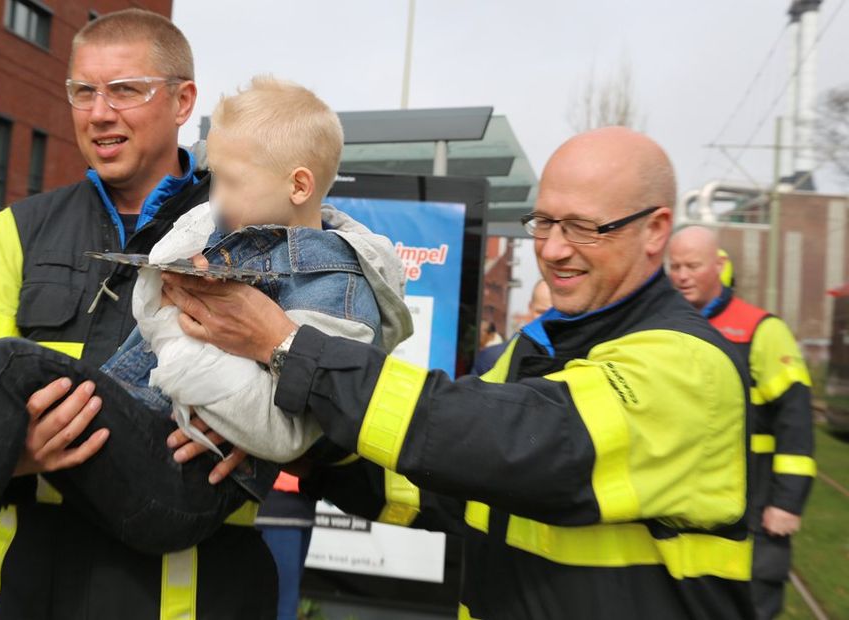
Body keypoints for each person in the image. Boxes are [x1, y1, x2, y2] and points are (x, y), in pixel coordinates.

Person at [0, 76, 411, 619]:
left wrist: (186, 345)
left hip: (185, 495)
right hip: (57, 549)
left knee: (8, 363)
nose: (100, 111)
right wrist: (10, 445)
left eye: (125, 89)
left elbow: (313, 413)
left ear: (180, 100)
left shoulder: (333, 281)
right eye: (82, 90)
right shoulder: (38, 227)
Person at [162, 127, 760, 619]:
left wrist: (289, 347)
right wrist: (317, 458)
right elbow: (442, 486)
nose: (552, 249)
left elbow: (517, 447)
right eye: (545, 222)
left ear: (655, 230)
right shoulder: (534, 349)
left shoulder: (690, 367)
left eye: (582, 227)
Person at [668, 225, 815, 620]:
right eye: (675, 265)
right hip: (684, 506)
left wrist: (787, 501)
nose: (682, 275)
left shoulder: (761, 330)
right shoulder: (665, 330)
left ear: (718, 266)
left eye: (692, 265)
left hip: (755, 506)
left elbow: (795, 417)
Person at [470, 280, 551, 375]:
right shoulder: (491, 359)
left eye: (558, 313)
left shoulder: (571, 364)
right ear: (530, 308)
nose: (548, 319)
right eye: (541, 312)